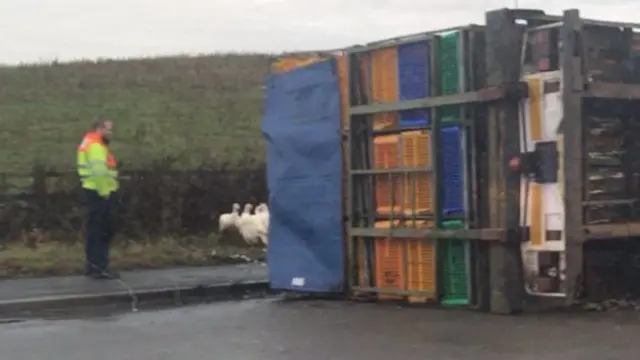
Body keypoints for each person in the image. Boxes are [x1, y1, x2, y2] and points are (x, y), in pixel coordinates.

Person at [77, 119, 120, 279]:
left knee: (95, 230)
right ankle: (100, 266)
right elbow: (99, 171)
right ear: (99, 129)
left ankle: (93, 265)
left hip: (93, 190)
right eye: (108, 129)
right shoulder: (96, 145)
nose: (110, 133)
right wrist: (105, 192)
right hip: (99, 191)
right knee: (102, 231)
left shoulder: (91, 142)